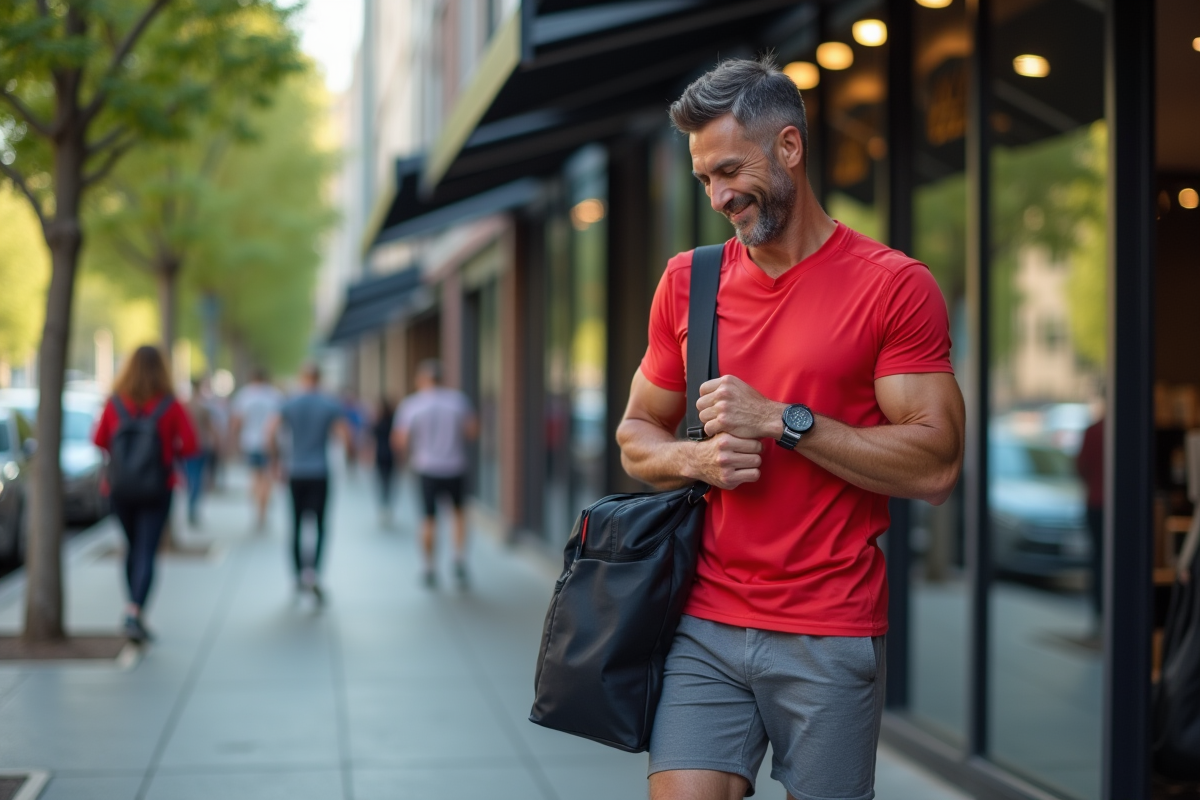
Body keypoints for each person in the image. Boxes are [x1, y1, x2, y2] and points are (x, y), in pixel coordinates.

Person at [615, 57, 965, 800]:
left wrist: (782, 420)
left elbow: (936, 466)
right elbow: (635, 434)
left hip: (829, 629)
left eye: (730, 170)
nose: (718, 196)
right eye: (704, 179)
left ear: (790, 149)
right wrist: (695, 460)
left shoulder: (893, 286)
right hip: (703, 621)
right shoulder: (690, 281)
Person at [93, 345, 198, 643]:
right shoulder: (170, 404)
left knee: (131, 546)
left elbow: (99, 440)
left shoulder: (115, 403)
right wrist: (166, 450)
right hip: (157, 488)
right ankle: (135, 611)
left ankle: (132, 609)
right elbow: (191, 446)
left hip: (119, 489)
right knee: (147, 550)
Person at [264, 364, 347, 602]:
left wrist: (275, 461)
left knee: (296, 525)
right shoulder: (329, 404)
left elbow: (269, 432)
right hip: (320, 472)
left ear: (302, 378)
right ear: (319, 379)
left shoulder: (290, 403)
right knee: (320, 526)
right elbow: (345, 436)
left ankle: (298, 576)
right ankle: (315, 574)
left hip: (296, 471)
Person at [392, 359, 477, 588]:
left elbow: (400, 440)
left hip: (426, 467)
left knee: (428, 519)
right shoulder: (458, 401)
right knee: (458, 515)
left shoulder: (412, 405)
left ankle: (429, 567)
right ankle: (458, 560)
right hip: (455, 466)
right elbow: (471, 432)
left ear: (422, 379)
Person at [230, 369, 283, 530]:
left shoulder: (245, 395)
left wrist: (234, 440)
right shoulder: (274, 395)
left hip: (250, 442)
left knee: (255, 477)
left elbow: (238, 421)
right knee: (267, 479)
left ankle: (257, 510)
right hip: (270, 443)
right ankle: (263, 510)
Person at [1076, 413, 1104, 635]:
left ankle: (1100, 615)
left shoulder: (1093, 430)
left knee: (1098, 560)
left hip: (1095, 503)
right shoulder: (1126, 430)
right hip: (1109, 505)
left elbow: (1081, 467)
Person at [183, 378, 218, 526]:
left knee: (190, 477)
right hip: (200, 445)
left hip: (186, 447)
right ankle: (192, 508)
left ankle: (190, 507)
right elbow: (211, 427)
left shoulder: (185, 406)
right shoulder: (203, 407)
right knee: (197, 478)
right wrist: (217, 441)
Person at [372, 397, 398, 527]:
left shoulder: (378, 422)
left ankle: (383, 507)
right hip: (390, 456)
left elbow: (371, 441)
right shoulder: (393, 422)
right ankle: (386, 507)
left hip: (381, 455)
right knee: (389, 482)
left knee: (382, 482)